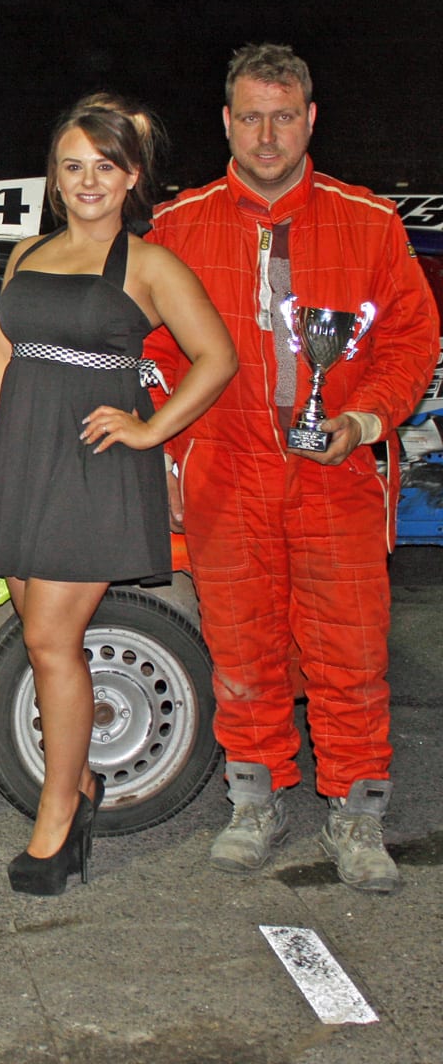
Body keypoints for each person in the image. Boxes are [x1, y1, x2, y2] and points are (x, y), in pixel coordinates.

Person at [146, 44, 439, 893]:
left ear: (310, 119)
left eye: (283, 116)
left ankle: (356, 810)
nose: (266, 134)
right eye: (250, 117)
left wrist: (363, 416)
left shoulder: (370, 222)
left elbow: (413, 340)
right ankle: (256, 800)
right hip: (226, 469)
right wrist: (171, 449)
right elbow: (154, 351)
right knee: (244, 648)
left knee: (348, 650)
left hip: (334, 471)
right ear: (226, 123)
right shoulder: (180, 224)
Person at [0, 98, 236, 896]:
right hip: (20, 461)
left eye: (104, 167)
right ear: (55, 176)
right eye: (73, 166)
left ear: (131, 179)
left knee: (49, 640)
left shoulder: (148, 264)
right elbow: (4, 360)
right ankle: (79, 785)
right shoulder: (25, 255)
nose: (87, 181)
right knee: (41, 632)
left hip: (91, 466)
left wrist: (152, 431)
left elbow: (215, 357)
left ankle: (59, 812)